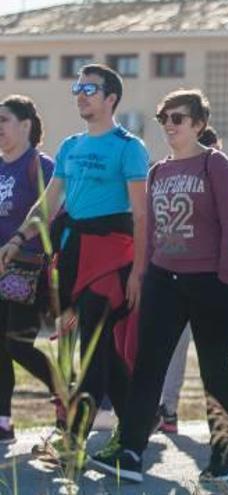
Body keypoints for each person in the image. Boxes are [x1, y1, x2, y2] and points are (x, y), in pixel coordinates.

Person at [89, 89, 228, 483]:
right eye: (164, 119)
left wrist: (225, 279)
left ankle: (225, 457)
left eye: (178, 118)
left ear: (198, 124)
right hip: (165, 280)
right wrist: (148, 274)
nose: (170, 125)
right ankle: (131, 451)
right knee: (148, 366)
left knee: (215, 370)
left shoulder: (216, 165)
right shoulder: (158, 171)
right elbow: (154, 231)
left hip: (211, 282)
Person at [0, 64, 149, 449]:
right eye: (77, 88)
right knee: (99, 348)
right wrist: (17, 239)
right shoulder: (70, 147)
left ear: (111, 98)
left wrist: (138, 272)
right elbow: (47, 204)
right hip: (75, 252)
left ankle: (73, 437)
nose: (81, 94)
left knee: (93, 342)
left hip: (114, 251)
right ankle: (135, 425)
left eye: (90, 88)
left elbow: (142, 214)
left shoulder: (128, 146)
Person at [155, 125, 228, 435]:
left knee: (222, 351)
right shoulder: (166, 173)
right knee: (176, 346)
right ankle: (167, 408)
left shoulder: (227, 173)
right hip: (178, 272)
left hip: (213, 273)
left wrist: (225, 276)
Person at [0, 95, 56, 444]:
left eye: (4, 120)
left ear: (26, 125)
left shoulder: (41, 165)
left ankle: (68, 392)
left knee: (18, 344)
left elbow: (53, 213)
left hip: (29, 270)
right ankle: (3, 423)